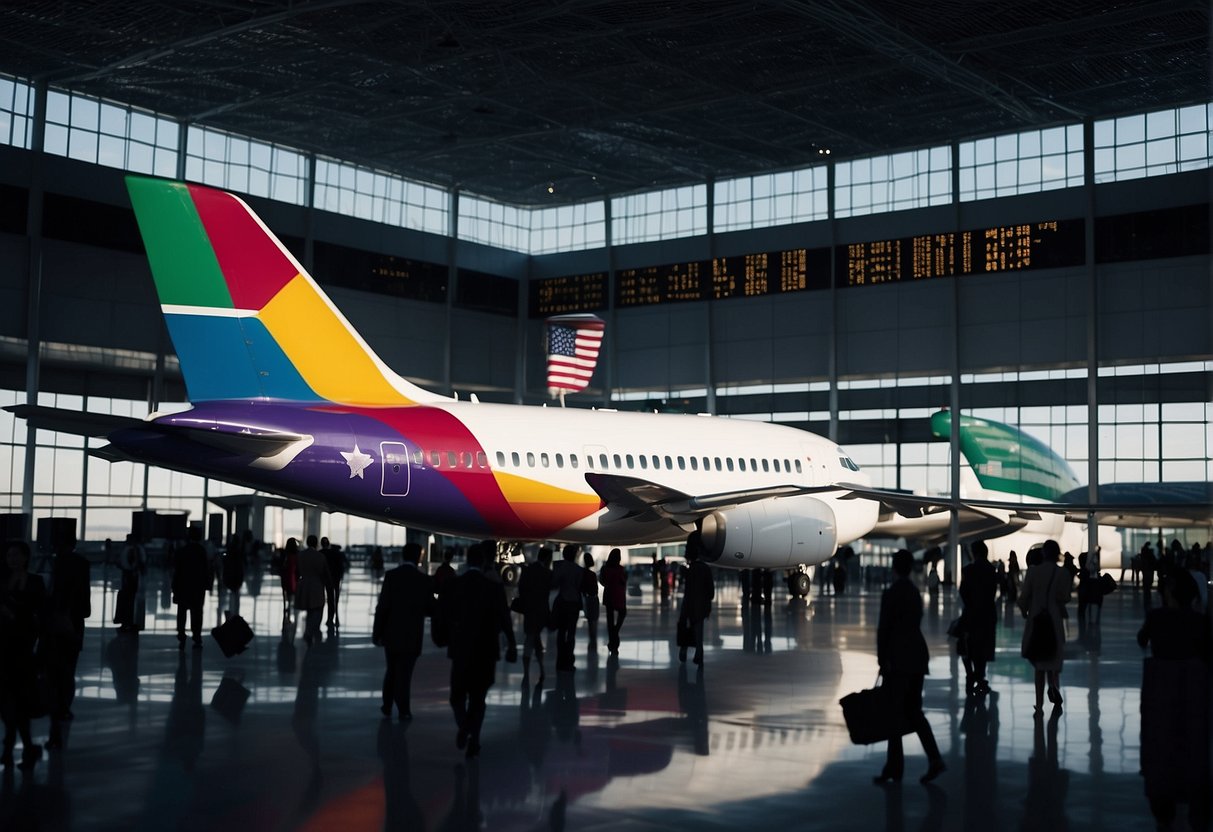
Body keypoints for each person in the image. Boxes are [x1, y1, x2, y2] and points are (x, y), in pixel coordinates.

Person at [1137, 571, 1210, 830]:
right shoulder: (1200, 621)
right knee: (1194, 745)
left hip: (1161, 693)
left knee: (1161, 745)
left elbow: (1142, 640)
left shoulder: (1157, 618)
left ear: (1169, 593)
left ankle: (1164, 813)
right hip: (1194, 694)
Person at [873, 549, 945, 785]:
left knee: (894, 713)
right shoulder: (915, 592)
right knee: (914, 711)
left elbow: (884, 629)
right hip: (917, 655)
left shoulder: (891, 593)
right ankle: (933, 758)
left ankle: (895, 767)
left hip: (898, 659)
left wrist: (882, 659)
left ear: (894, 568)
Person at [440, 541, 517, 758]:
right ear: (483, 560)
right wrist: (511, 644)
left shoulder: (454, 585)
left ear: (467, 559)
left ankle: (464, 726)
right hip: (486, 651)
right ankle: (474, 738)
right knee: (478, 699)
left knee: (457, 698)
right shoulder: (493, 588)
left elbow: (443, 614)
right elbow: (505, 618)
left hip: (461, 650)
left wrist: (442, 637)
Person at [373, 542, 433, 720]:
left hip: (391, 633)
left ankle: (387, 705)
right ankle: (404, 710)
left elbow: (382, 606)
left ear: (403, 556)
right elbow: (430, 609)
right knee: (405, 674)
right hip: (412, 634)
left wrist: (377, 633)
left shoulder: (391, 576)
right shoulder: (424, 580)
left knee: (391, 670)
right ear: (419, 557)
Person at [0, 541, 46, 770]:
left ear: (26, 558)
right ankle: (22, 747)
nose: (12, 559)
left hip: (23, 649)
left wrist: (13, 613)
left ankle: (12, 748)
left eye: (16, 555)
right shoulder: (2, 581)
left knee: (17, 701)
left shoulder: (35, 582)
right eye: (9, 555)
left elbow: (40, 614)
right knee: (11, 702)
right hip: (5, 648)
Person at [43, 533, 91, 750]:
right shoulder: (81, 563)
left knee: (54, 670)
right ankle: (64, 707)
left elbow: (48, 593)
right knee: (68, 668)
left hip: (55, 622)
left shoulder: (52, 563)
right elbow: (84, 595)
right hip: (73, 621)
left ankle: (57, 707)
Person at [1018, 539, 1071, 713]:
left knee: (1039, 663)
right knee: (1053, 660)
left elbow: (1024, 597)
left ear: (1043, 553)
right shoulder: (1062, 573)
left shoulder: (1033, 572)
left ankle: (1039, 704)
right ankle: (1054, 689)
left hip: (1037, 620)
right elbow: (1065, 597)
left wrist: (1026, 612)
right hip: (1054, 621)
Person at [959, 540, 998, 696]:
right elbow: (993, 593)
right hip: (987, 613)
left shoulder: (968, 570)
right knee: (983, 648)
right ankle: (980, 677)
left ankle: (972, 674)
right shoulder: (991, 570)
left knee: (967, 646)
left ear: (974, 553)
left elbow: (963, 592)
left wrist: (970, 605)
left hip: (972, 614)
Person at [678, 532, 714, 666]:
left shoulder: (688, 570)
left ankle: (684, 648)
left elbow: (686, 586)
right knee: (699, 631)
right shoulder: (705, 568)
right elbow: (710, 589)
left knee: (685, 626)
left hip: (688, 603)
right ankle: (699, 654)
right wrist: (709, 601)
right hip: (701, 604)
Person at [517, 546, 553, 679]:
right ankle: (539, 669)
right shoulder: (547, 574)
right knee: (534, 640)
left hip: (530, 610)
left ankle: (528, 671)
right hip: (541, 611)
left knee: (531, 639)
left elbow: (521, 588)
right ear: (548, 558)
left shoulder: (528, 570)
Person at [173, 526, 209, 651]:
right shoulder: (202, 551)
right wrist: (207, 585)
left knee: (182, 611)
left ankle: (181, 634)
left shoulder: (182, 551)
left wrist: (175, 588)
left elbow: (177, 571)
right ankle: (196, 636)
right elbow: (206, 570)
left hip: (183, 586)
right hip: (198, 587)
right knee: (197, 612)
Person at [550, 544, 583, 671]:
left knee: (561, 631)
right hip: (573, 603)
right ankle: (569, 660)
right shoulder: (578, 570)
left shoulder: (560, 568)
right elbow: (579, 587)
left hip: (563, 601)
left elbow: (554, 583)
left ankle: (560, 659)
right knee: (571, 633)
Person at [296, 534, 331, 646]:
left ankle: (308, 630)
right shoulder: (320, 556)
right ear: (316, 543)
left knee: (308, 608)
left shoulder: (301, 555)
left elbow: (297, 571)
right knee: (316, 609)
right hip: (317, 585)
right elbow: (325, 572)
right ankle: (310, 630)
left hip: (304, 584)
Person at [115, 533, 147, 633]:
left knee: (129, 599)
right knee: (129, 599)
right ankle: (128, 621)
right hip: (130, 575)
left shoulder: (132, 549)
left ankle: (128, 621)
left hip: (130, 576)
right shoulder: (134, 549)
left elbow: (132, 563)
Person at [598, 548, 628, 656]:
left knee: (609, 620)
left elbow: (602, 581)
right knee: (622, 613)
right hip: (619, 595)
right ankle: (615, 632)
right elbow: (624, 581)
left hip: (609, 595)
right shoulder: (621, 569)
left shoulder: (605, 568)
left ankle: (613, 643)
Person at [323, 539, 347, 629]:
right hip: (337, 578)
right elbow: (343, 565)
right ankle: (335, 616)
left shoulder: (328, 554)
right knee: (335, 596)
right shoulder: (339, 555)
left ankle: (331, 617)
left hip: (329, 578)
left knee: (330, 597)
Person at [580, 552, 600, 653]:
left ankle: (591, 639)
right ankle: (593, 640)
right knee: (594, 620)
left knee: (589, 620)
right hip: (593, 598)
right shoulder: (592, 575)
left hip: (587, 598)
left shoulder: (582, 573)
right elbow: (595, 589)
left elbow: (582, 588)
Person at [278, 538, 299, 612]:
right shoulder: (297, 554)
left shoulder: (284, 553)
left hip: (285, 574)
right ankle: (293, 604)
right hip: (294, 574)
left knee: (285, 590)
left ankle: (286, 604)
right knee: (293, 590)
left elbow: (280, 564)